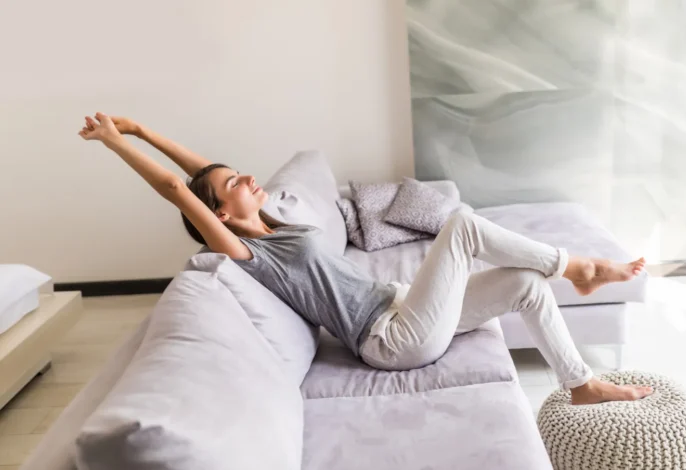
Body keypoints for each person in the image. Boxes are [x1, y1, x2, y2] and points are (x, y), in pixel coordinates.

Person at [79, 113, 653, 405]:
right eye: (235, 182)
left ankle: (578, 382)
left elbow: (202, 174)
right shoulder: (248, 251)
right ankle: (578, 267)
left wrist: (140, 125)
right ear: (220, 218)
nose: (249, 176)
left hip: (405, 310)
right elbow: (182, 190)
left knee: (527, 284)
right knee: (461, 225)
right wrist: (116, 143)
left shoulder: (272, 219)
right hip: (392, 341)